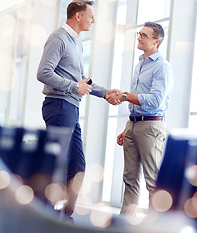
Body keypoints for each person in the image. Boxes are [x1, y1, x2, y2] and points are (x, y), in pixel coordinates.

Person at [37, 0, 119, 220]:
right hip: (59, 105)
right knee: (58, 164)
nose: (93, 20)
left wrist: (105, 92)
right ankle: (47, 214)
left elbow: (80, 82)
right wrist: (74, 86)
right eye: (91, 16)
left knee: (77, 165)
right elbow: (43, 73)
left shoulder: (77, 42)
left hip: (70, 107)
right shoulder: (58, 38)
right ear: (78, 16)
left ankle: (64, 216)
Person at [111, 22, 174, 215]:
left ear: (156, 41)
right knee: (129, 180)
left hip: (151, 127)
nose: (139, 37)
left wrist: (124, 95)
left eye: (144, 35)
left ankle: (157, 229)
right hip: (134, 124)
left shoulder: (162, 67)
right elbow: (139, 101)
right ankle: (124, 226)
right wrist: (128, 127)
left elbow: (155, 100)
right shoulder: (140, 64)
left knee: (153, 181)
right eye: (139, 33)